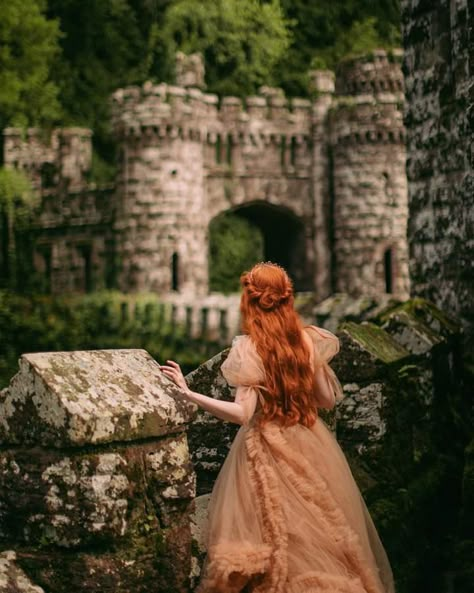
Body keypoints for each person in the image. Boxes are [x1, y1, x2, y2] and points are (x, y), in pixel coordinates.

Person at [160, 262, 395, 593]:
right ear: (287, 299)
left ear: (251, 301)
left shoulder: (250, 347)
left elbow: (243, 414)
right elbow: (327, 400)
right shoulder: (306, 341)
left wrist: (189, 393)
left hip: (265, 446)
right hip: (310, 440)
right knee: (323, 531)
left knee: (274, 535)